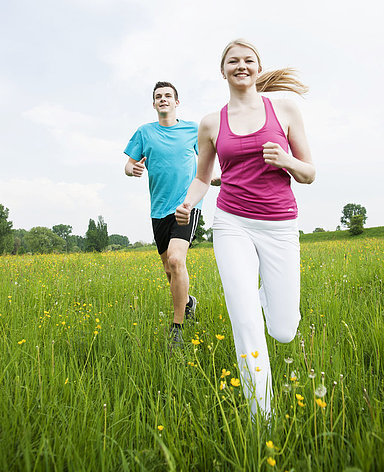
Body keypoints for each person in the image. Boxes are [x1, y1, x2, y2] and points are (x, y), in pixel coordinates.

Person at [175, 39, 315, 415]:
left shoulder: (284, 109)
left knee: (283, 329)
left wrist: (286, 159)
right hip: (232, 223)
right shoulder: (210, 123)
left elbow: (310, 173)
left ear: (257, 67)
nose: (241, 65)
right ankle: (260, 417)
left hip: (280, 225)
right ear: (223, 71)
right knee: (245, 318)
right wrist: (188, 201)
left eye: (248, 60)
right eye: (233, 61)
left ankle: (263, 293)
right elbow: (203, 177)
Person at [124, 81, 202, 345]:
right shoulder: (144, 132)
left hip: (186, 205)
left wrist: (211, 178)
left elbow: (207, 161)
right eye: (159, 96)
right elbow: (128, 164)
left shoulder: (193, 130)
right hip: (158, 209)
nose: (163, 99)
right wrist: (132, 169)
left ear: (177, 102)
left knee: (177, 261)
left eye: (168, 96)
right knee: (170, 272)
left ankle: (177, 326)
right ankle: (188, 300)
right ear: (154, 103)